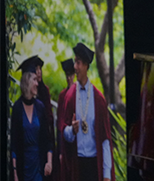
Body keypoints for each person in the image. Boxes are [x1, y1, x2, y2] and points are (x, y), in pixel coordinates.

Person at [60, 43, 114, 181]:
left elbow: (105, 139)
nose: (75, 67)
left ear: (85, 66)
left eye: (78, 63)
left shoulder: (98, 99)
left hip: (94, 165)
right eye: (75, 62)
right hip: (76, 164)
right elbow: (64, 132)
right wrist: (72, 130)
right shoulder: (70, 96)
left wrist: (106, 174)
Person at [11, 56, 54, 181]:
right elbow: (14, 144)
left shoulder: (40, 107)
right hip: (22, 169)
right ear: (27, 81)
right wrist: (14, 173)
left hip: (39, 169)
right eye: (34, 80)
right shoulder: (17, 108)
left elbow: (48, 140)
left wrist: (49, 162)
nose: (37, 83)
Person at [56, 59, 75, 181]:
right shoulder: (62, 96)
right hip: (65, 142)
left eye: (71, 74)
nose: (69, 78)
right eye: (67, 75)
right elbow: (59, 124)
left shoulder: (79, 94)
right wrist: (60, 151)